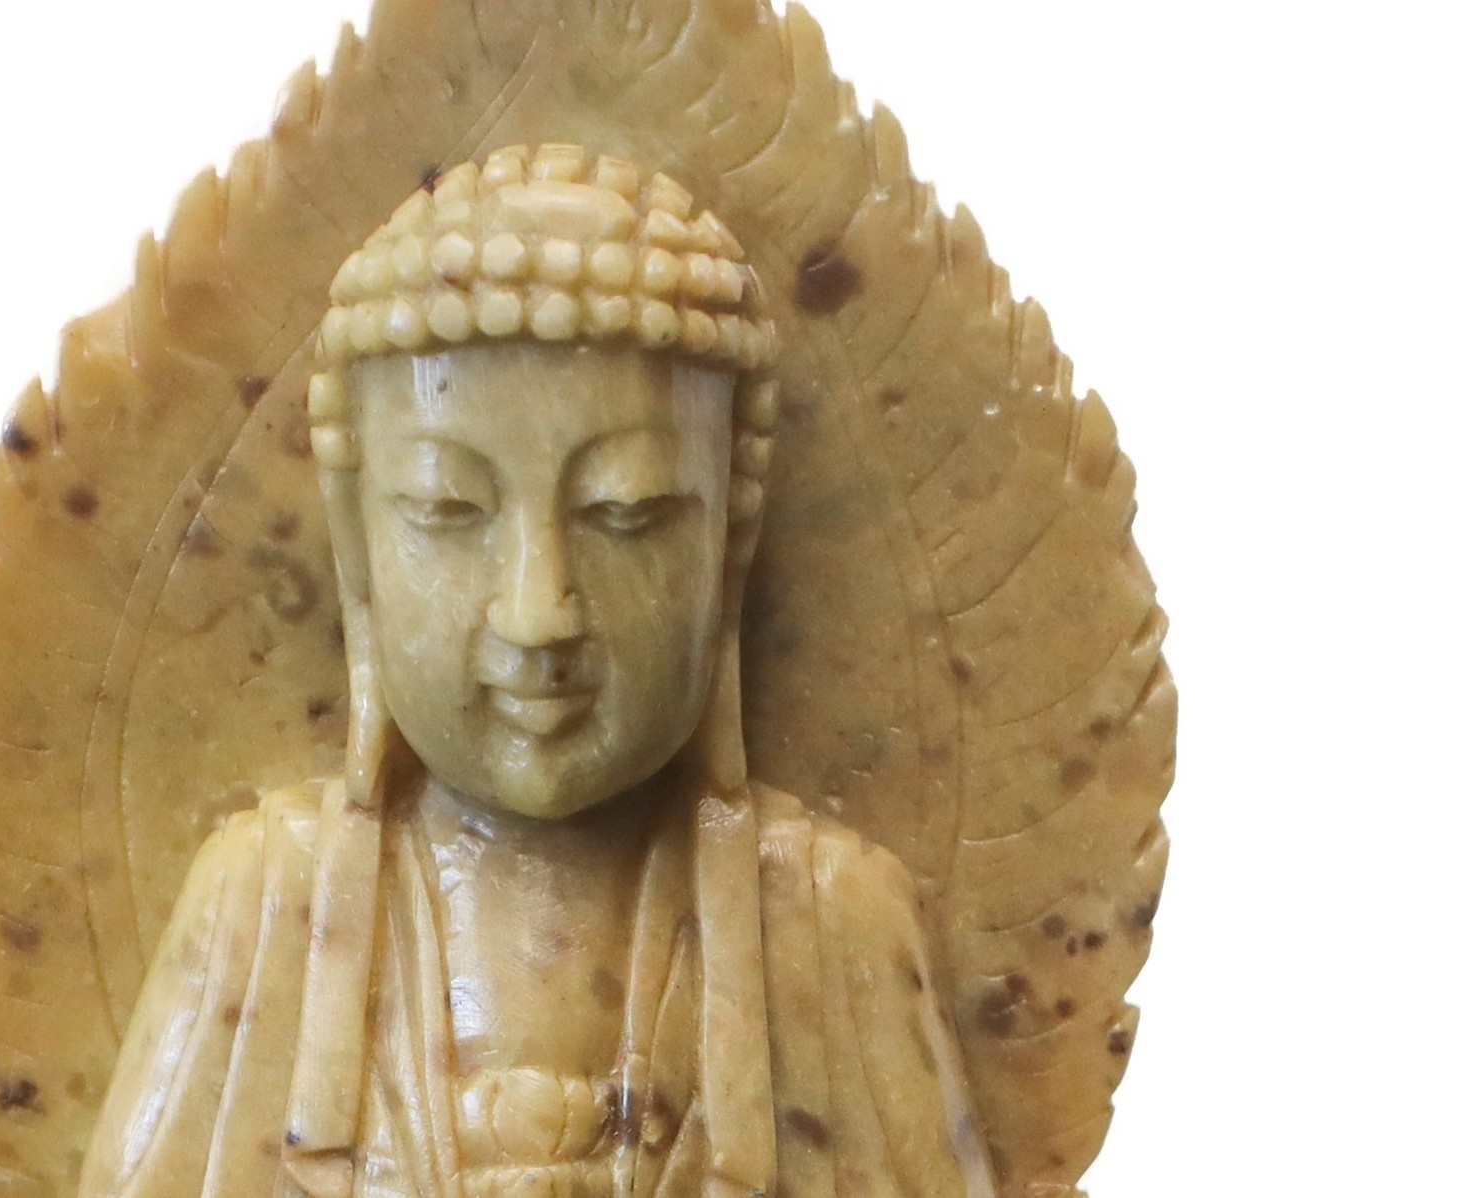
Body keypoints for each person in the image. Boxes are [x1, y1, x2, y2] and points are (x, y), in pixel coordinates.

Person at [76, 145, 996, 1198]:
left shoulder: (831, 922)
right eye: (447, 509)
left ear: (728, 544)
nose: (537, 611)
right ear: (358, 545)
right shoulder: (264, 907)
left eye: (626, 511)